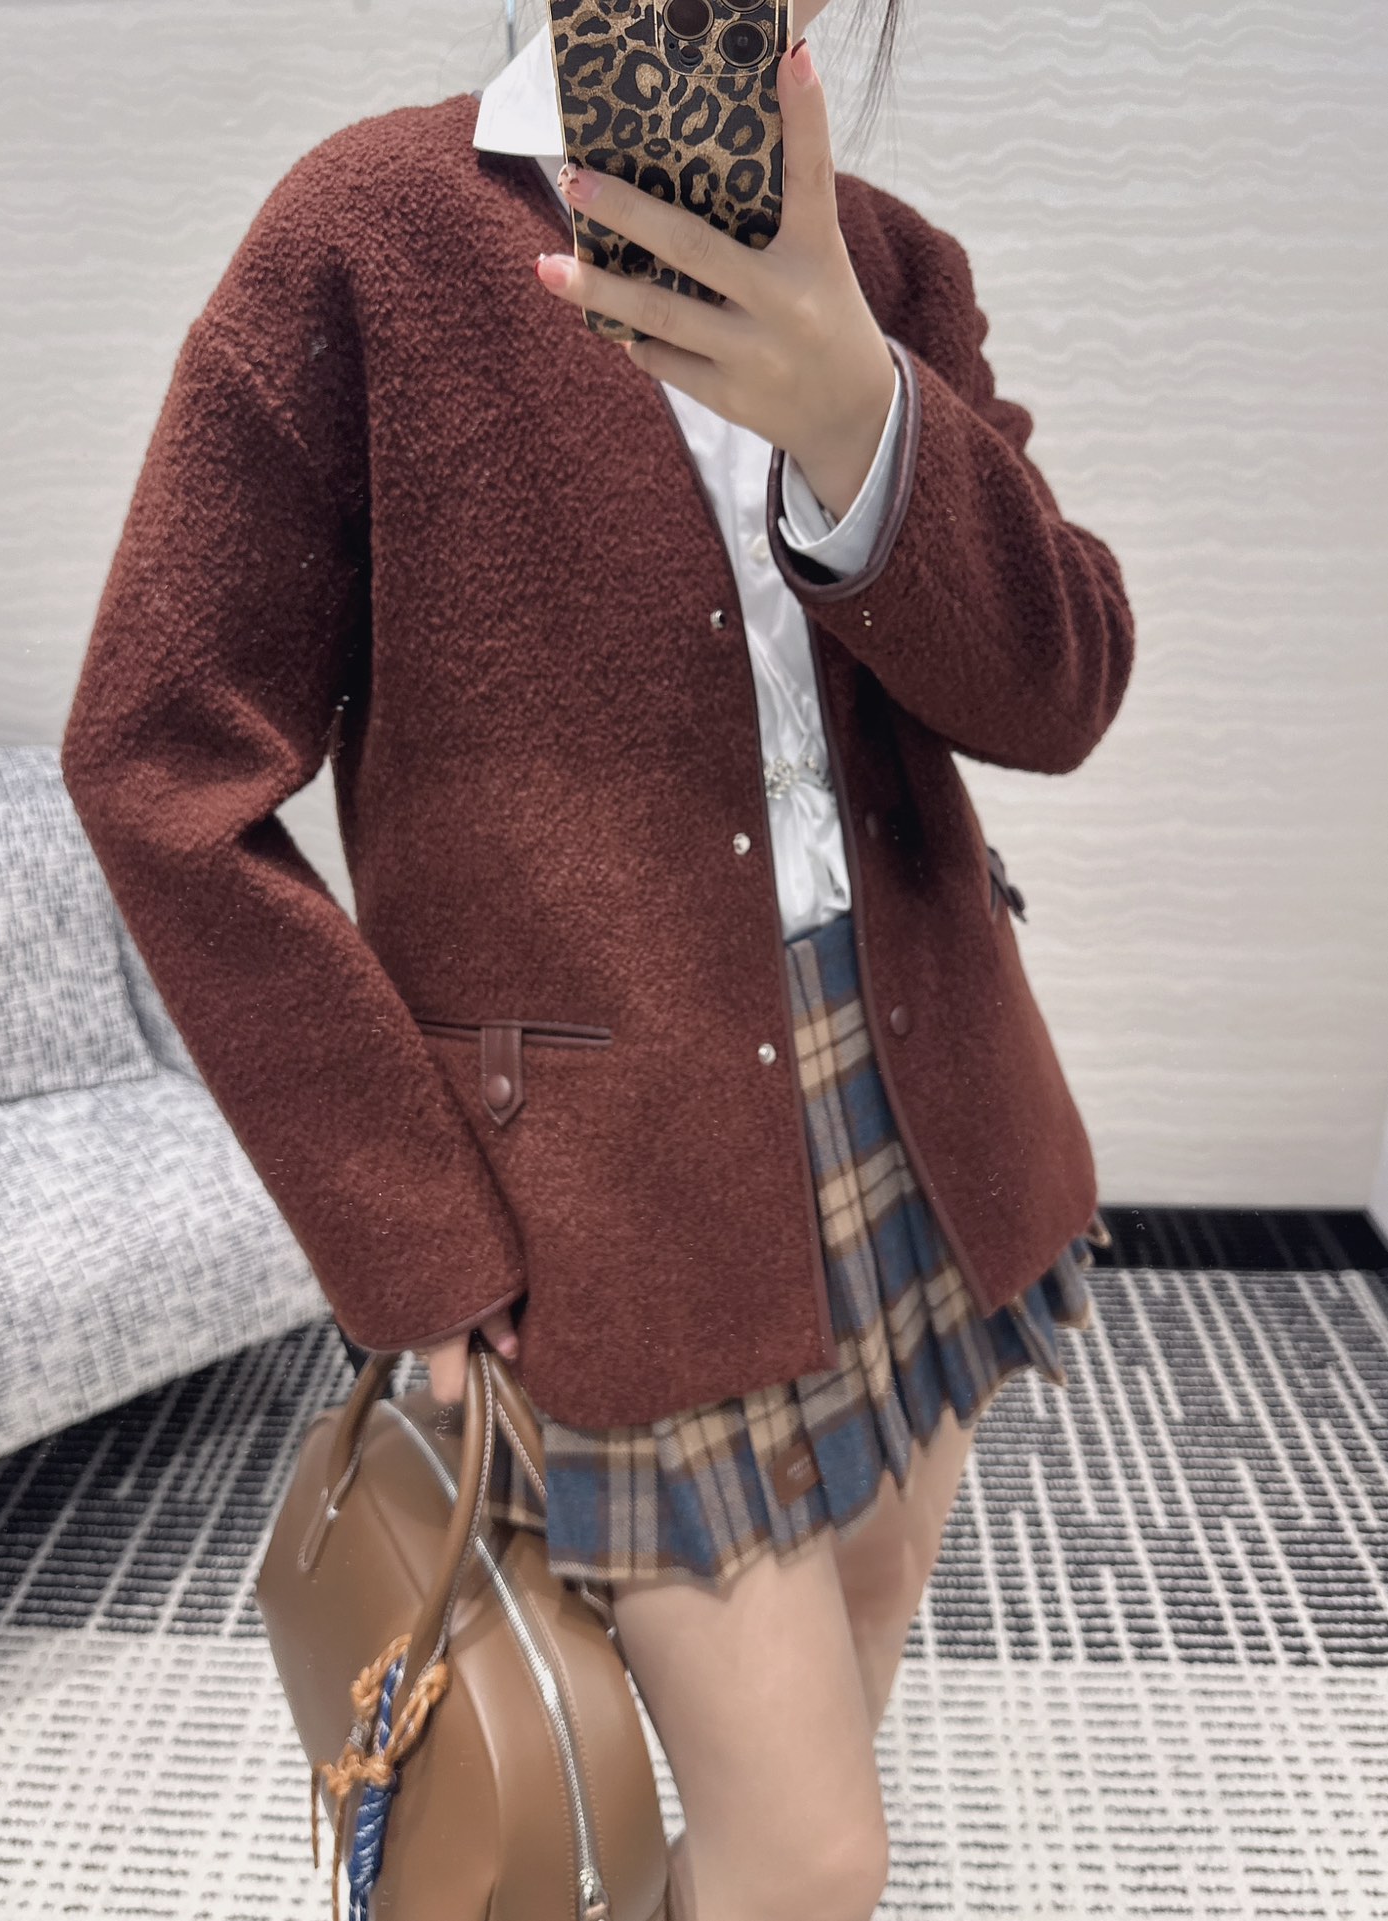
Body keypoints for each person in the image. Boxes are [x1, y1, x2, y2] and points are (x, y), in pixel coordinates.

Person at [60, 6, 1134, 1918]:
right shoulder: (365, 242)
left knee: (860, 1627)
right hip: (609, 1175)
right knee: (812, 1855)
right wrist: (411, 1230)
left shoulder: (890, 268)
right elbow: (156, 767)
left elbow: (1059, 689)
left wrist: (858, 416)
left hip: (921, 1102)